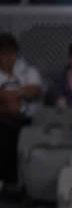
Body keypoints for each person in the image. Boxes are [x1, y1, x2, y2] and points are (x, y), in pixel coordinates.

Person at [0, 32, 43, 190]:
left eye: (12, 53)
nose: (9, 58)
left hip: (29, 122)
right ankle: (7, 185)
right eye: (4, 54)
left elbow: (35, 91)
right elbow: (10, 104)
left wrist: (11, 95)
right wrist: (14, 96)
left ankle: (26, 186)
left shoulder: (27, 69)